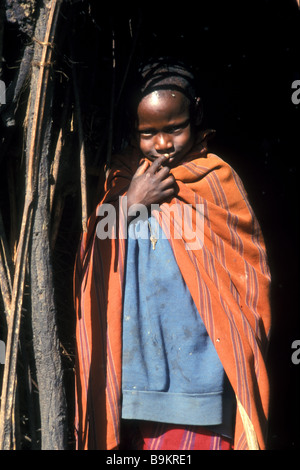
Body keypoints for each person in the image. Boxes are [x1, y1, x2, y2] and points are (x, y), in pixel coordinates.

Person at [74, 58, 271, 450]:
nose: (163, 144)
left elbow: (246, 277)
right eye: (149, 133)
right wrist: (132, 201)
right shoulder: (122, 179)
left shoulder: (217, 182)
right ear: (134, 131)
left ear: (195, 115)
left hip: (201, 385)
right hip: (134, 382)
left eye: (174, 129)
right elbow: (92, 261)